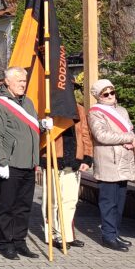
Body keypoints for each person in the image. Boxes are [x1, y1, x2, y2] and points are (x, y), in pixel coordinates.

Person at [0, 67, 48, 260]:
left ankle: (20, 241)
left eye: (24, 81)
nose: (23, 84)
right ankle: (5, 243)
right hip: (10, 163)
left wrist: (42, 127)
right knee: (7, 206)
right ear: (7, 82)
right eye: (19, 81)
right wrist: (1, 161)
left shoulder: (28, 102)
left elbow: (28, 128)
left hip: (29, 163)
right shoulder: (0, 104)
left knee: (23, 206)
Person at [87, 78, 135, 252]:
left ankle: (115, 232)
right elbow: (101, 135)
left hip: (124, 160)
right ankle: (108, 236)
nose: (110, 96)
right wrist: (127, 138)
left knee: (120, 200)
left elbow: (130, 130)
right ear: (98, 96)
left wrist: (134, 139)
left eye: (112, 92)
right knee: (109, 202)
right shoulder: (95, 112)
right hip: (109, 161)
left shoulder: (122, 110)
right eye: (105, 93)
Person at [40, 100, 93, 248]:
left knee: (70, 200)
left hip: (74, 160)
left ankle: (67, 235)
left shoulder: (79, 109)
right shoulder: (49, 105)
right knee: (53, 201)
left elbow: (84, 133)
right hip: (53, 159)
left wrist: (87, 157)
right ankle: (53, 235)